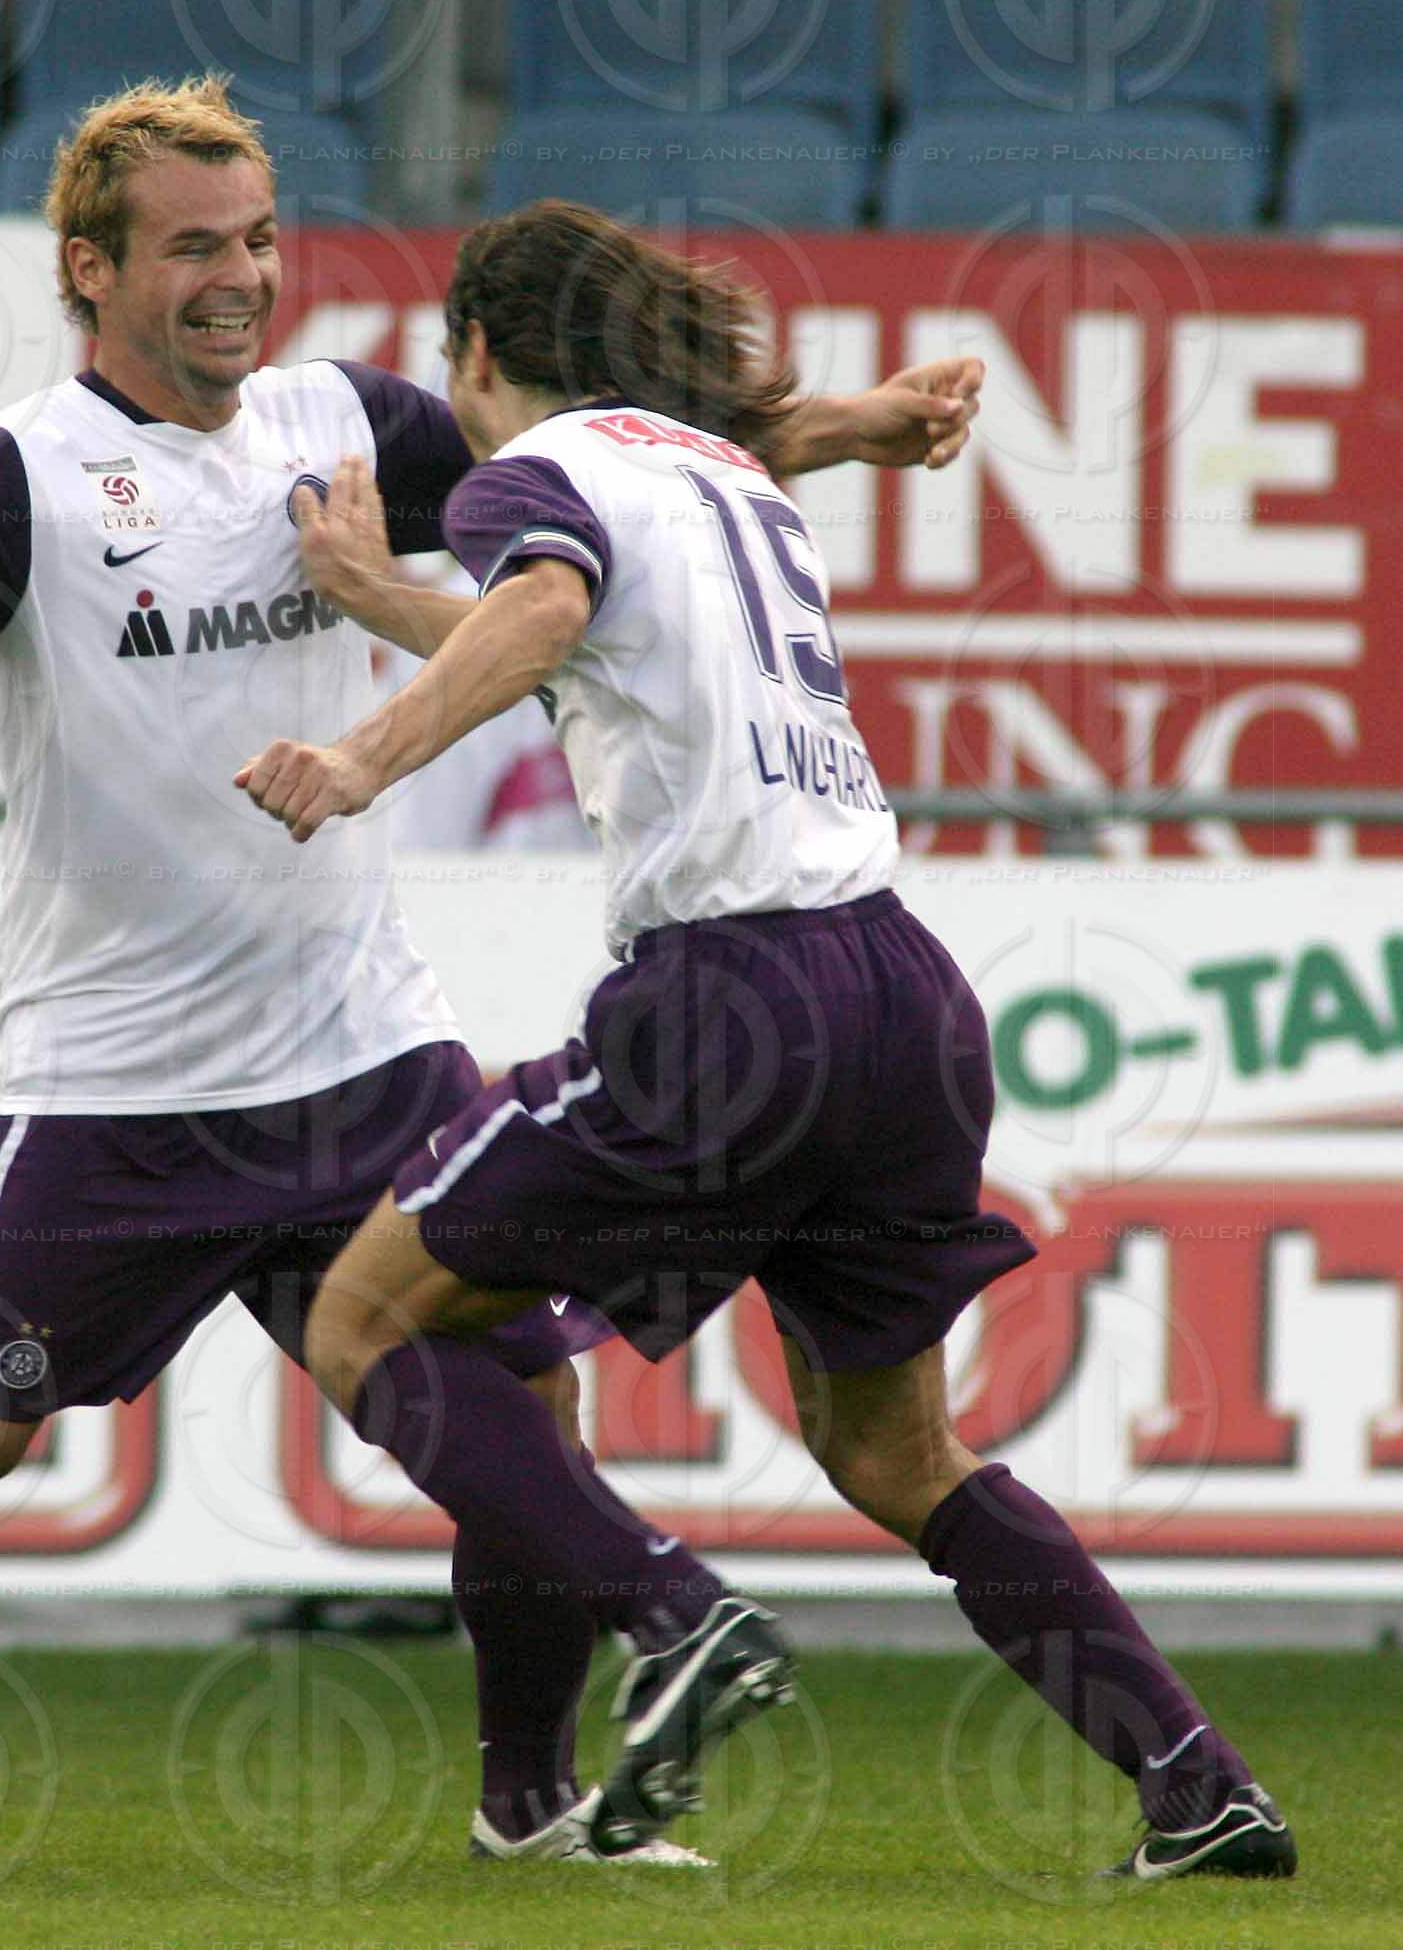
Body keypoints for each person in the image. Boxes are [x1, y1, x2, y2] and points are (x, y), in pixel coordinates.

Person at [0, 78, 986, 1865]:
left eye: (261, 240)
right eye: (197, 247)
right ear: (91, 266)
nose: (242, 278)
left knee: (519, 1385)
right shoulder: (19, 469)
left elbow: (613, 476)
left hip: (357, 1043)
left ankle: (540, 1795)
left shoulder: (340, 421)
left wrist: (851, 432)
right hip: (121, 1082)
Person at [237, 198, 1293, 1882]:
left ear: (484, 357)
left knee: (368, 1317)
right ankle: (1194, 1779)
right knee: (896, 1451)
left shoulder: (534, 474)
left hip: (728, 998)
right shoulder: (717, 471)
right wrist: (378, 585)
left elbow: (541, 618)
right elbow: (586, 619)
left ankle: (680, 1617)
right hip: (903, 997)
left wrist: (365, 752)